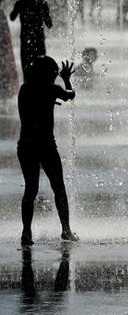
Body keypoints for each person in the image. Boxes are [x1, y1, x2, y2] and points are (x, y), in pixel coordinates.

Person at [18, 56, 79, 246]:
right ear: (49, 74)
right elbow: (70, 95)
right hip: (45, 146)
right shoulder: (52, 89)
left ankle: (26, 232)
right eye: (53, 73)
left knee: (31, 189)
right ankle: (66, 230)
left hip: (26, 145)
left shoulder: (25, 89)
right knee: (58, 188)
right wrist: (66, 78)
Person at [10, 0, 52, 80]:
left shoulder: (20, 4)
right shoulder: (42, 3)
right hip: (39, 41)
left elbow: (12, 17)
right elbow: (49, 24)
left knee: (27, 70)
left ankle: (27, 94)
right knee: (41, 70)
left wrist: (19, 4)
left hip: (26, 42)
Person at [0, 0, 18, 99]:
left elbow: (6, 35)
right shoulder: (1, 14)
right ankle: (6, 91)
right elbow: (6, 36)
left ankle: (5, 92)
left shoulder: (1, 14)